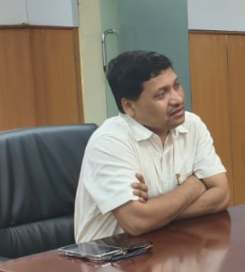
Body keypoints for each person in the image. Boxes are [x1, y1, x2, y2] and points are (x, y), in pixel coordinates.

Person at [74, 50, 230, 242]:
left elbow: (221, 195)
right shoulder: (109, 141)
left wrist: (156, 213)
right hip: (114, 255)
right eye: (161, 94)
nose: (177, 99)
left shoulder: (192, 125)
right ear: (129, 107)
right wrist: (194, 185)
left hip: (168, 246)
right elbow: (137, 222)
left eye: (176, 85)